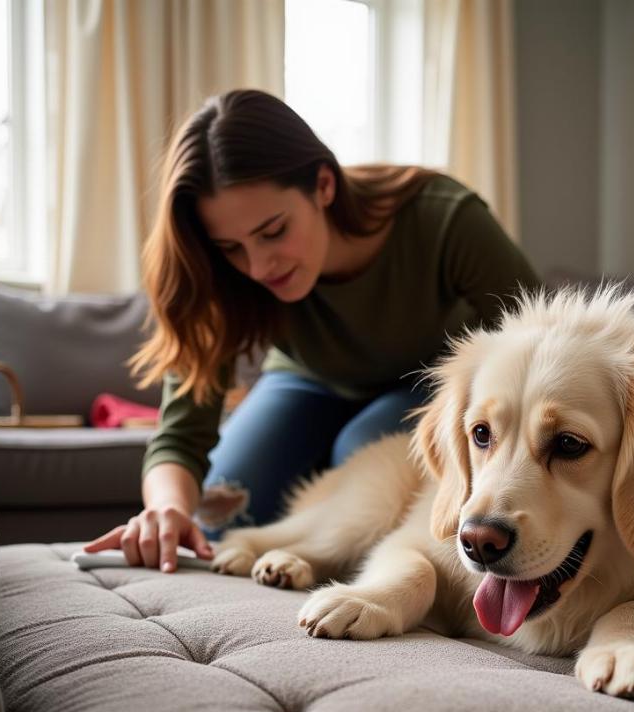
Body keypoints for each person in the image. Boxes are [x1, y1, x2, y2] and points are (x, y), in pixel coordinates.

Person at [85, 89, 540, 571]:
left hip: (426, 386)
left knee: (361, 453)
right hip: (304, 379)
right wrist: (165, 511)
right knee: (221, 516)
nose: (258, 266)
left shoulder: (444, 218)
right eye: (231, 247)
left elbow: (536, 345)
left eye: (273, 231)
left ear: (324, 185)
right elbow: (180, 434)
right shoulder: (224, 274)